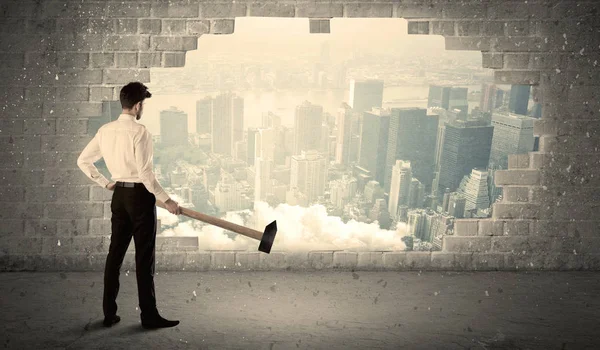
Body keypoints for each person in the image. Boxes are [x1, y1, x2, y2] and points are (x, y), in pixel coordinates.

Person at [77, 82, 182, 329]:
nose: (141, 108)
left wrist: (106, 183)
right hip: (141, 198)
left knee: (115, 255)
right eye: (142, 104)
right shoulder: (140, 132)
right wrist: (167, 200)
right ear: (137, 106)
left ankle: (109, 314)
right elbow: (145, 173)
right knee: (144, 259)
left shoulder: (105, 130)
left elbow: (83, 161)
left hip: (120, 197)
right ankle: (149, 316)